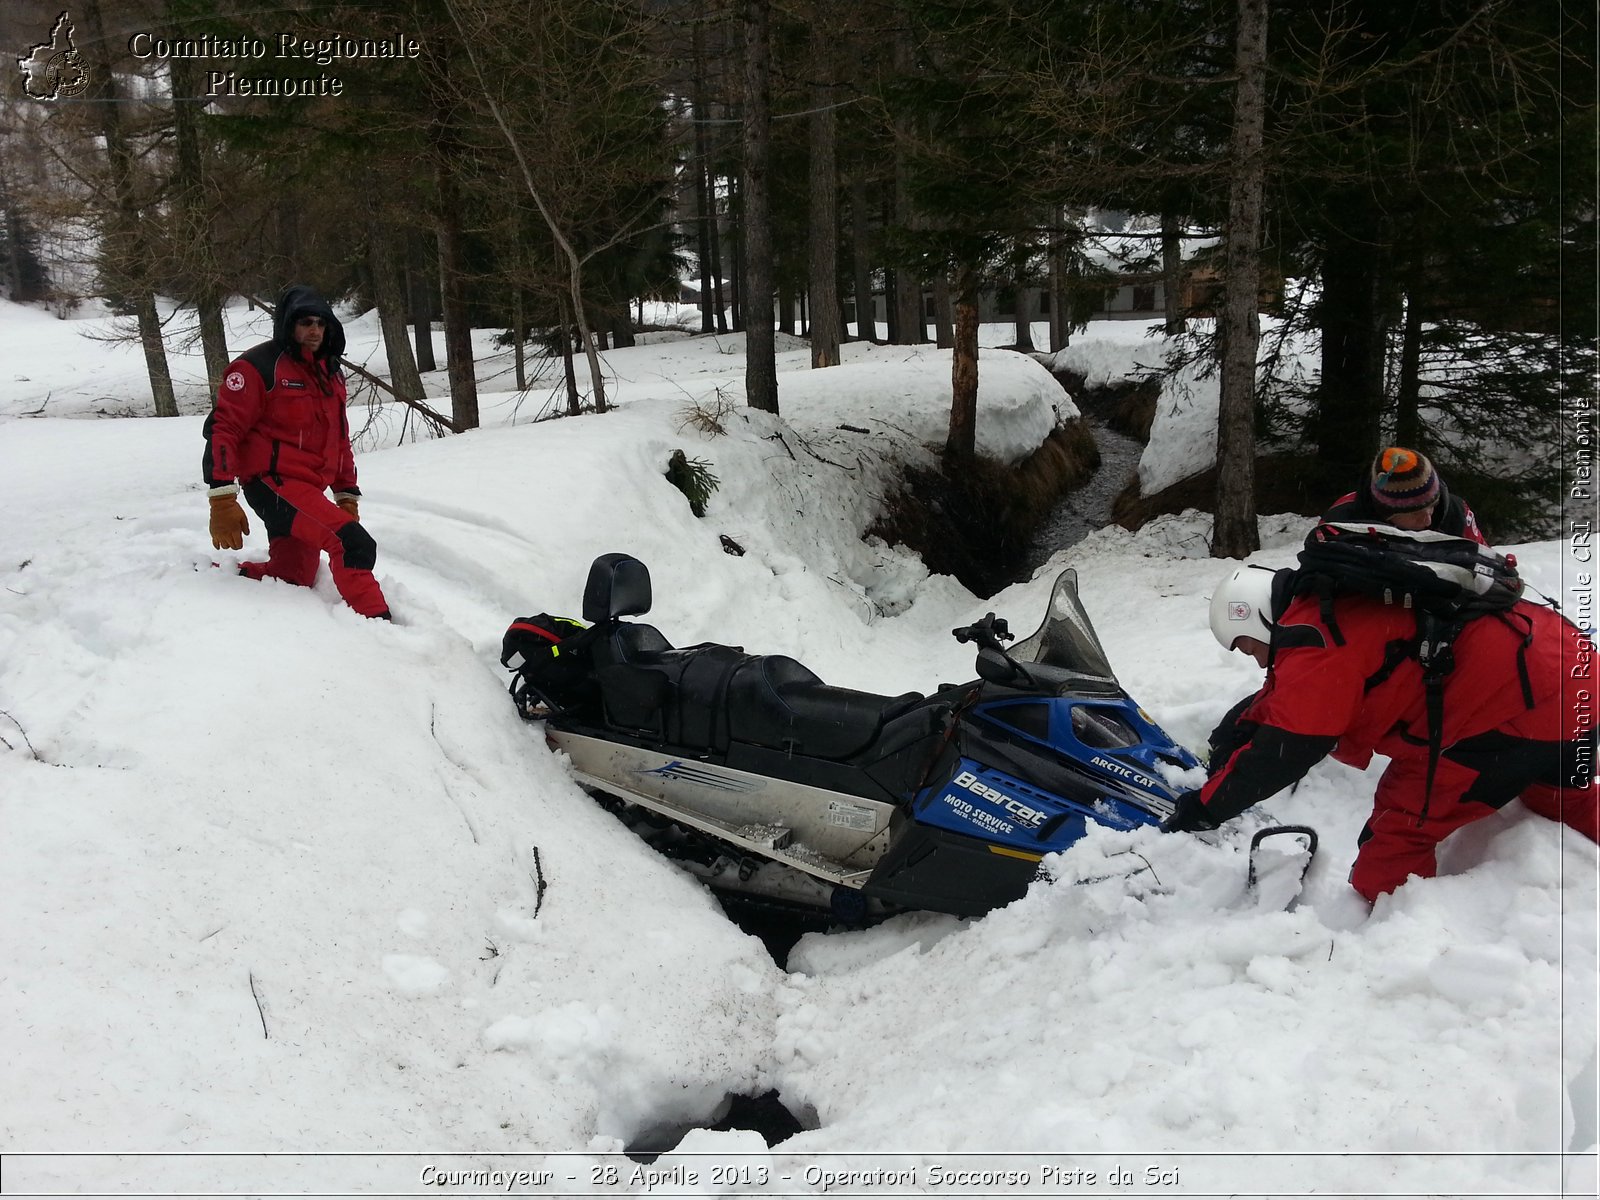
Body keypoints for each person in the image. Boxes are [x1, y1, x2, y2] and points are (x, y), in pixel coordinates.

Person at [1167, 565, 1598, 901]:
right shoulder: (1333, 603)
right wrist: (1239, 729)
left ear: (1260, 619)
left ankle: (1415, 949)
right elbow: (1291, 695)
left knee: (1389, 854)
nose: (1260, 663)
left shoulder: (1316, 641)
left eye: (1250, 647)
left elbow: (1288, 747)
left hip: (1515, 714)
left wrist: (1203, 809)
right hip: (1574, 676)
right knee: (1564, 799)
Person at [203, 285, 391, 619]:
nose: (315, 330)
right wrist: (221, 496)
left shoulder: (329, 374)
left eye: (321, 322)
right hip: (272, 484)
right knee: (353, 544)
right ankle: (379, 623)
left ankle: (224, 573)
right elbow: (223, 429)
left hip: (308, 488)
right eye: (305, 322)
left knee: (295, 574)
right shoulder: (256, 368)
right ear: (288, 325)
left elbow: (339, 438)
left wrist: (346, 494)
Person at [1323, 446, 1487, 544]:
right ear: (1386, 513)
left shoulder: (1455, 513)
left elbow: (1493, 572)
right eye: (1416, 514)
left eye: (1432, 506)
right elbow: (1312, 583)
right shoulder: (1341, 521)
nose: (1428, 519)